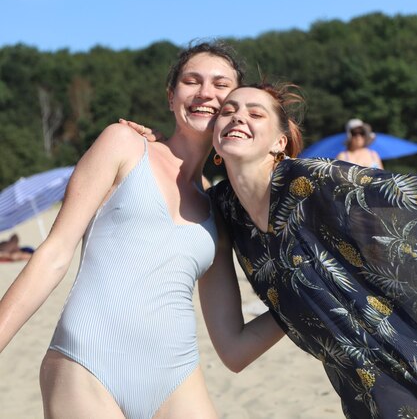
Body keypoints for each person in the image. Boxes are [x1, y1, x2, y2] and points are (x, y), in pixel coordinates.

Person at [0, 42, 282, 419]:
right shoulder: (124, 144)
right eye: (191, 81)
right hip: (86, 364)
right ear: (171, 97)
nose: (204, 93)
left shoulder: (220, 210)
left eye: (220, 85)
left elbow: (234, 349)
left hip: (177, 379)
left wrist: (303, 301)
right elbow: (54, 254)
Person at [208, 83, 417, 419]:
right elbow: (234, 353)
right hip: (365, 396)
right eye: (227, 111)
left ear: (280, 142)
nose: (238, 118)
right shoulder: (226, 212)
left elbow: (405, 198)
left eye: (255, 113)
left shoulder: (312, 179)